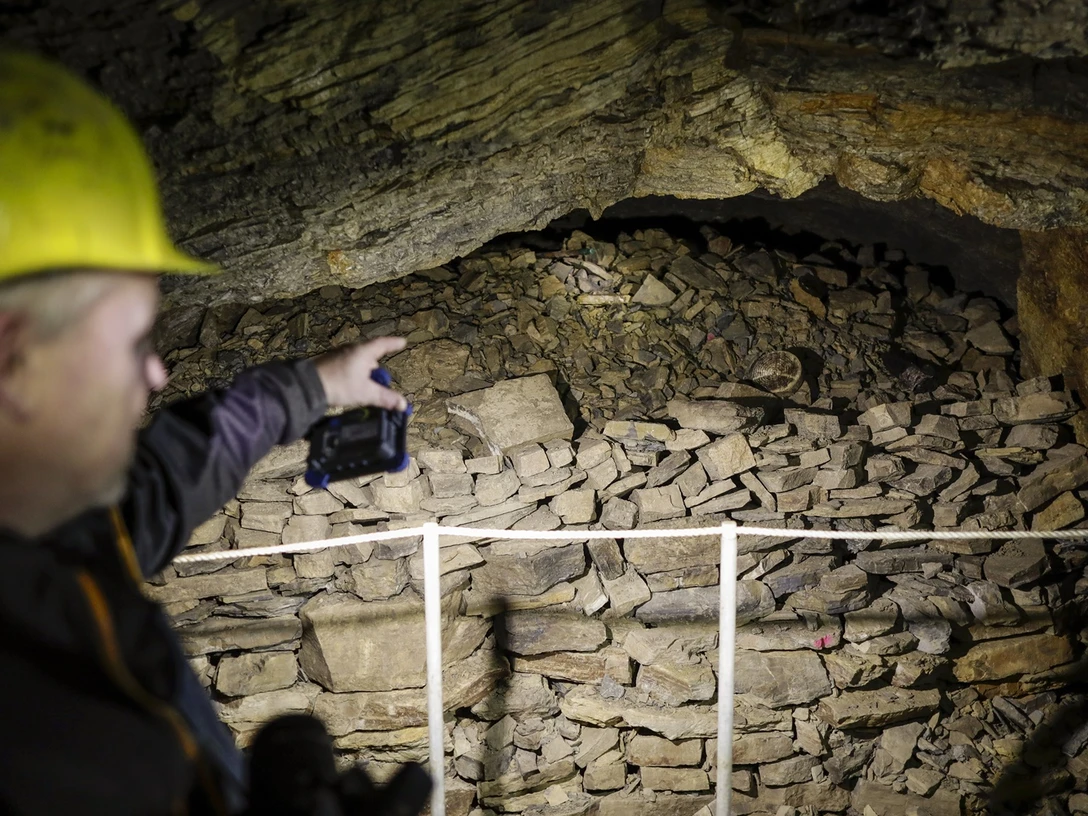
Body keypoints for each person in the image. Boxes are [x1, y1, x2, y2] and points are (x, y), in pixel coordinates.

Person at [0, 50, 408, 814]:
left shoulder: (63, 532)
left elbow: (170, 473)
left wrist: (316, 385)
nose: (155, 376)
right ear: (12, 355)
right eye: (131, 344)